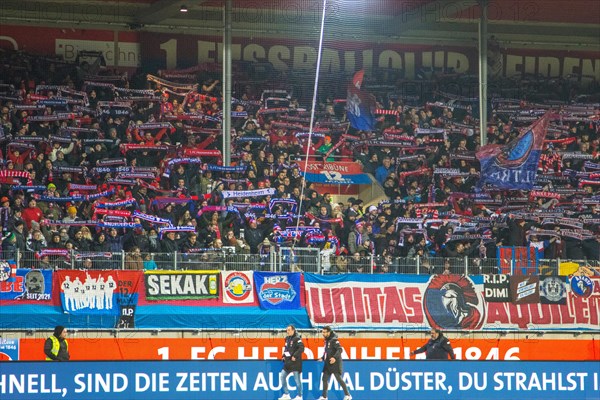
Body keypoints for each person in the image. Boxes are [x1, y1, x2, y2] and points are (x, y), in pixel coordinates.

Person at [318, 326, 351, 400]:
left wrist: (334, 358)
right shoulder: (327, 340)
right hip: (328, 364)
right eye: (322, 332)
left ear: (329, 332)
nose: (323, 334)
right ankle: (324, 396)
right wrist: (322, 358)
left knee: (338, 379)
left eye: (324, 332)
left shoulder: (334, 340)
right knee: (324, 379)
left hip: (335, 363)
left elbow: (339, 349)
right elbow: (327, 351)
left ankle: (348, 395)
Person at [278, 324, 304, 400]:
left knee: (297, 381)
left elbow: (301, 348)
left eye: (289, 330)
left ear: (293, 330)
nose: (287, 331)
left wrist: (295, 356)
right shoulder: (287, 339)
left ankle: (299, 396)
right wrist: (283, 355)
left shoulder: (297, 338)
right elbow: (286, 348)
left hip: (295, 363)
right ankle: (286, 394)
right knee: (282, 376)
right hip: (288, 363)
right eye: (287, 330)